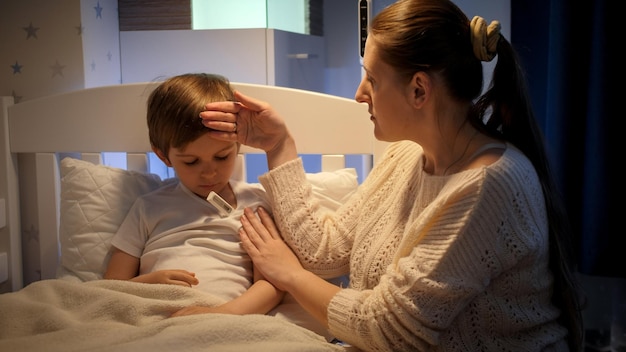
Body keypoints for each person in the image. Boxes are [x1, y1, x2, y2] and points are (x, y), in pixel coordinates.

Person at [193, 0, 586, 350]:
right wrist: (278, 145)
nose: (359, 93)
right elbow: (325, 251)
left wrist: (290, 276)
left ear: (419, 91)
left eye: (372, 79)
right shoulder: (407, 154)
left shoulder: (486, 184)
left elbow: (389, 330)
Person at [104, 73, 284, 316]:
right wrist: (148, 283)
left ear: (239, 144)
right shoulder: (148, 207)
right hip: (155, 312)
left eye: (222, 157)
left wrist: (222, 314)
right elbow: (109, 288)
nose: (209, 173)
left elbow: (272, 285)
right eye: (191, 162)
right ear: (163, 156)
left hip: (226, 317)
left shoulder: (256, 204)